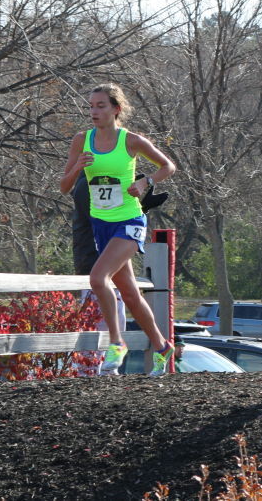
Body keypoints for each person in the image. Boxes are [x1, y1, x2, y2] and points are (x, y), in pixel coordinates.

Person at [60, 82, 177, 377]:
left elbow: (168, 166)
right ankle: (163, 346)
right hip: (101, 224)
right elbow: (63, 187)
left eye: (101, 106)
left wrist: (145, 182)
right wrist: (77, 169)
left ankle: (116, 342)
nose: (94, 111)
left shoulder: (130, 141)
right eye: (91, 106)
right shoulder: (81, 141)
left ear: (116, 109)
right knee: (130, 293)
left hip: (129, 222)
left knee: (98, 278)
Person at [72, 170, 168, 375]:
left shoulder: (111, 176)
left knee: (129, 297)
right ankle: (156, 346)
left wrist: (140, 196)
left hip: (112, 246)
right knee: (121, 299)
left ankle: (154, 347)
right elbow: (101, 213)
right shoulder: (86, 182)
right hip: (94, 255)